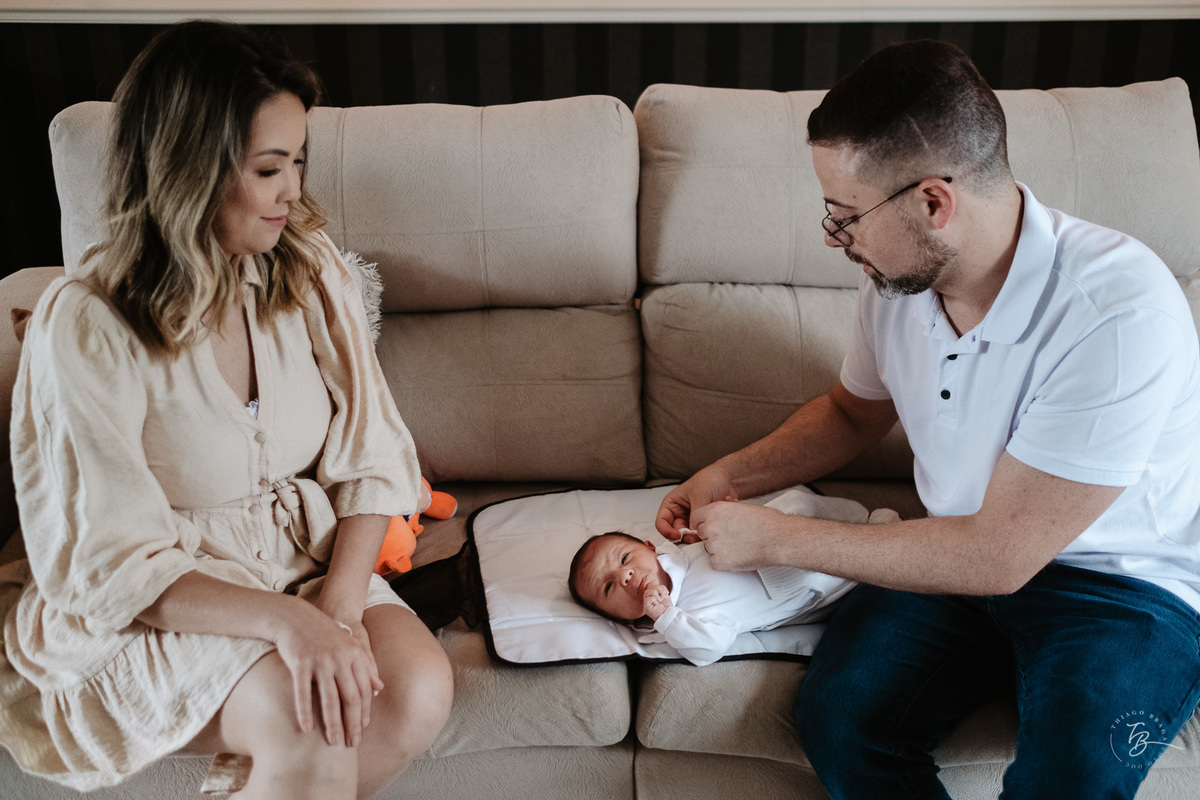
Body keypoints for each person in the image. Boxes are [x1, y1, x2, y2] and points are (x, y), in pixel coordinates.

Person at [655, 39, 1200, 798]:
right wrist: (727, 477)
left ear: (933, 203)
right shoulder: (898, 284)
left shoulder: (1116, 309)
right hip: (950, 564)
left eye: (845, 216)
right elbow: (852, 414)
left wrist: (774, 536)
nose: (832, 237)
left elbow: (1000, 557)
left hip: (1118, 586)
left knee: (1072, 775)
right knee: (842, 721)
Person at [0, 20, 452, 799]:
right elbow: (109, 559)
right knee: (311, 720)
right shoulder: (89, 320)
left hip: (299, 564)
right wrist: (289, 627)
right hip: (163, 595)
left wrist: (336, 612)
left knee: (416, 691)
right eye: (269, 168)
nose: (293, 193)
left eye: (298, 164)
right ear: (189, 170)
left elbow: (373, 454)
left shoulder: (307, 271)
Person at [570, 489, 889, 666]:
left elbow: (705, 533)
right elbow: (709, 648)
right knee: (836, 573)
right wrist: (668, 618)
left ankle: (862, 520)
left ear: (650, 547)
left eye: (625, 558)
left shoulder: (677, 549)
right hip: (792, 582)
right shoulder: (683, 619)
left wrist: (721, 517)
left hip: (771, 533)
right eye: (609, 586)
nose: (625, 575)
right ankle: (883, 532)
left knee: (797, 502)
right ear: (619, 618)